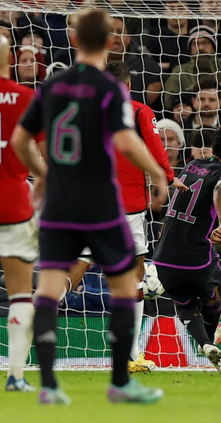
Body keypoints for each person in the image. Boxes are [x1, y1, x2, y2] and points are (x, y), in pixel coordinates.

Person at [12, 10, 166, 404]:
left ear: (75, 39)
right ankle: (120, 380)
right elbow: (127, 141)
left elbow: (19, 140)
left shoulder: (51, 86)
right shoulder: (110, 88)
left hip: (59, 202)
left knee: (47, 287)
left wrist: (42, 174)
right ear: (112, 41)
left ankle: (47, 385)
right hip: (100, 201)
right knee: (124, 285)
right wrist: (158, 174)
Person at [59, 61, 188, 374]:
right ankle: (130, 355)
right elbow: (156, 148)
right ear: (128, 86)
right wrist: (168, 177)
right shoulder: (139, 111)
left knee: (84, 259)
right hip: (126, 203)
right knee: (135, 273)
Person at [152, 124, 221, 375]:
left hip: (164, 257)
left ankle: (206, 345)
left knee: (185, 304)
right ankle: (213, 336)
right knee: (211, 296)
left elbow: (202, 196)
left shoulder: (191, 166)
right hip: (195, 257)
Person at [0, 35, 43, 392]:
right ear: (9, 60)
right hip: (13, 202)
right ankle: (15, 375)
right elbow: (45, 153)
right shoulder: (28, 98)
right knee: (20, 294)